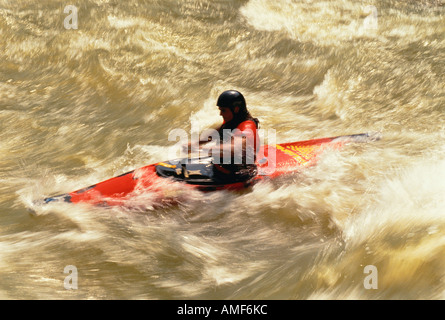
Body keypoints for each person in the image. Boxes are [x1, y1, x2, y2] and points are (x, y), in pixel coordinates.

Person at [186, 90, 260, 182]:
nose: (220, 114)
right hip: (220, 168)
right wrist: (196, 143)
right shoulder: (232, 118)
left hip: (237, 175)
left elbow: (235, 148)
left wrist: (201, 150)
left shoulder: (247, 127)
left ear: (236, 109)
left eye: (223, 110)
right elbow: (218, 132)